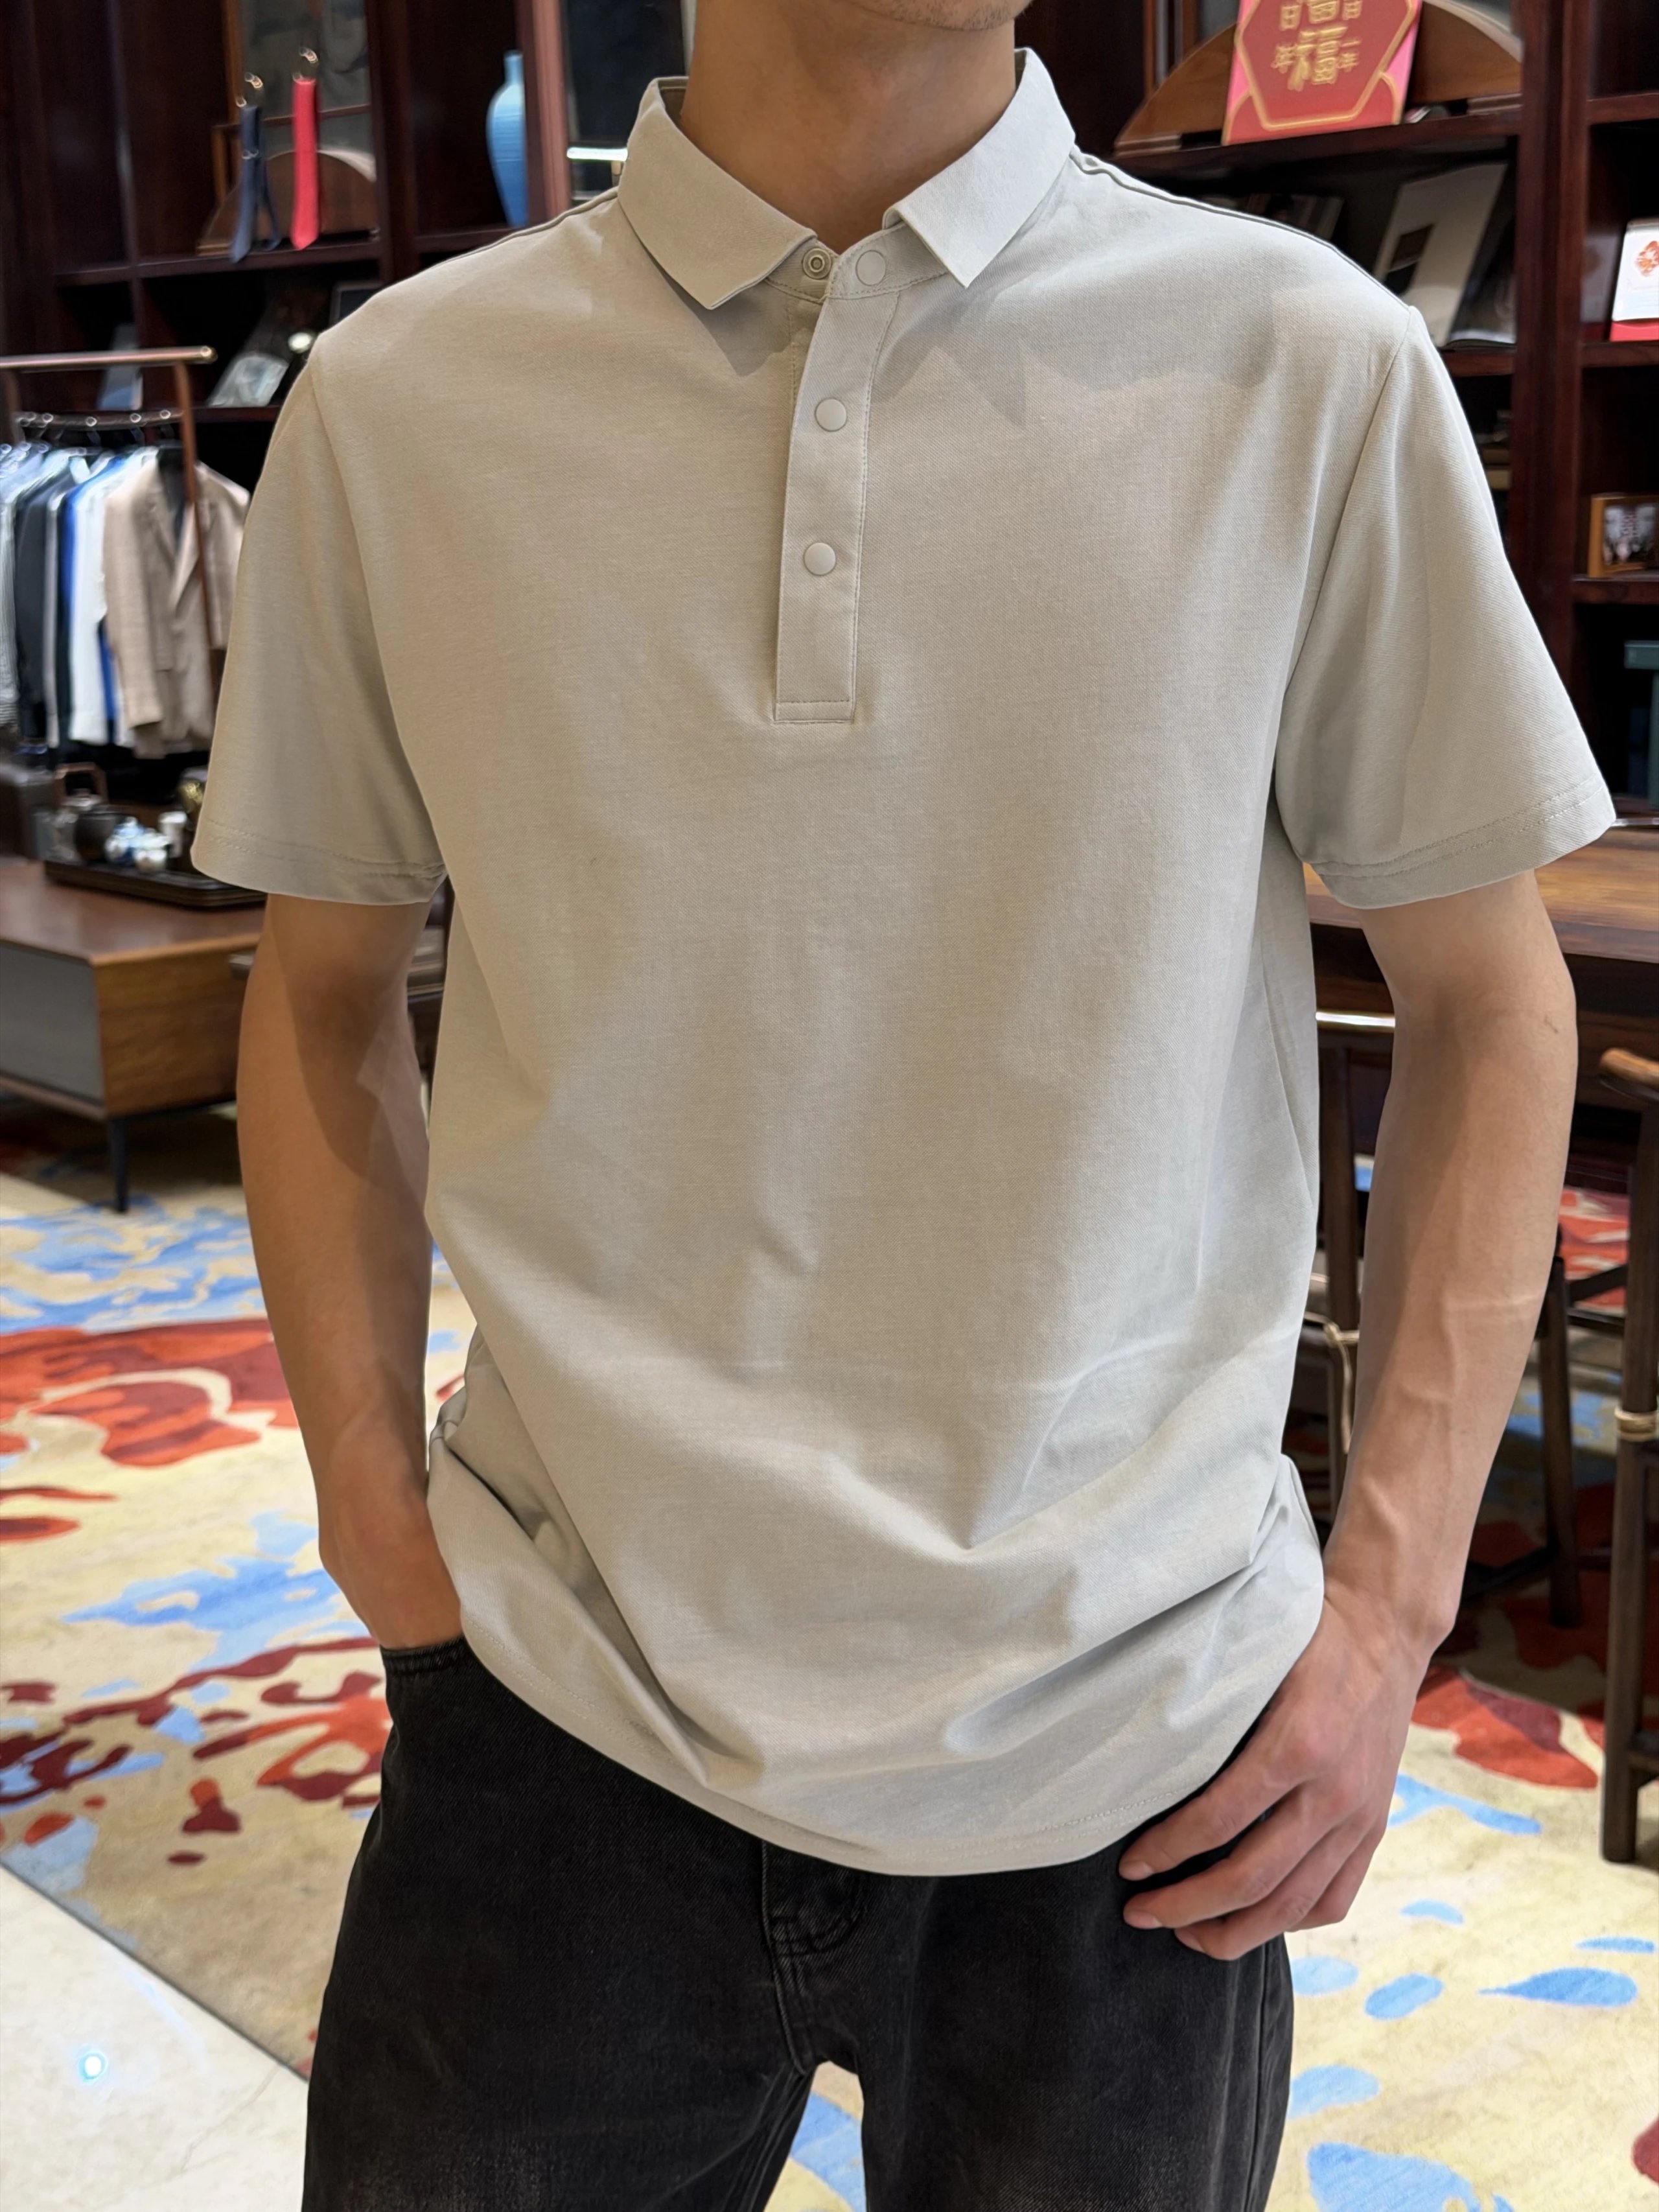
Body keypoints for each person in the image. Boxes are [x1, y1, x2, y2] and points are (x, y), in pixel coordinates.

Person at [192, 1, 1614, 2205]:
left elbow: (1492, 1002)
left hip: (1135, 1739)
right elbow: (320, 988)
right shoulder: (405, 401)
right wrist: (372, 1505)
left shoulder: (1306, 366)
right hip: (563, 1692)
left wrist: (1388, 1612)